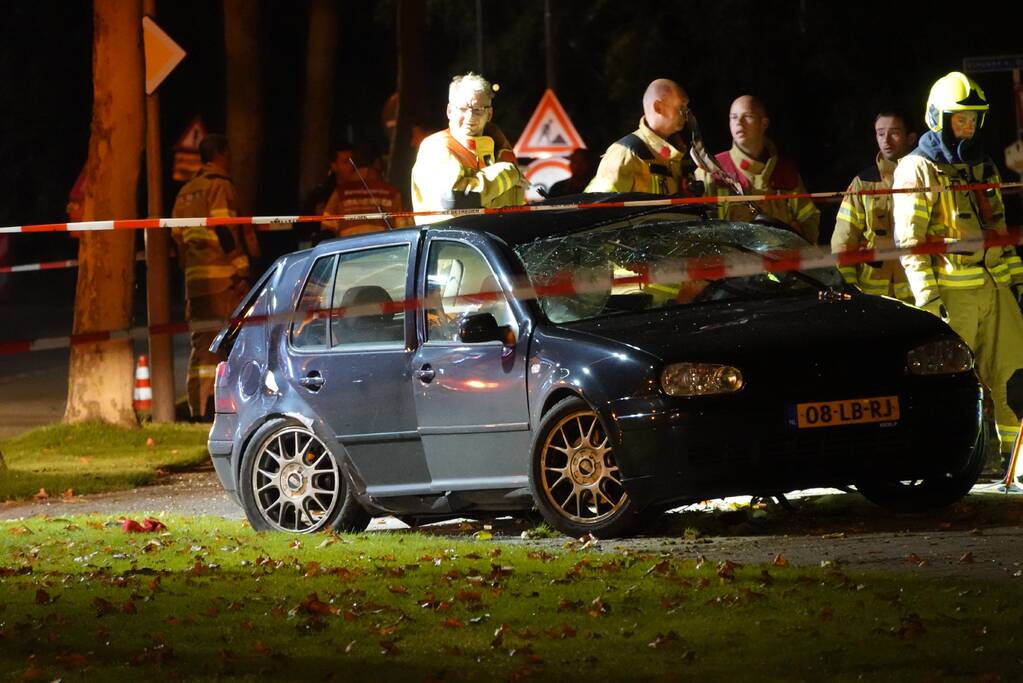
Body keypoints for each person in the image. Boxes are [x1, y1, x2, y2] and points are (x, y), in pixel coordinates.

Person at [893, 71, 1023, 469]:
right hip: (952, 296)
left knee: (1015, 376)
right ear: (939, 118)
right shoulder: (916, 169)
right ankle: (953, 461)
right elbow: (911, 243)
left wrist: (1017, 283)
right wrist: (928, 299)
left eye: (973, 119)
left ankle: (1015, 461)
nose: (967, 127)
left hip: (997, 292)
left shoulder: (983, 167)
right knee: (951, 383)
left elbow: (999, 230)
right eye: (959, 119)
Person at [170, 133, 258, 420]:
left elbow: (177, 238)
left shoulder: (186, 191)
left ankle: (198, 406)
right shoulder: (219, 187)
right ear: (220, 154)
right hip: (221, 279)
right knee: (226, 342)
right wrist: (241, 270)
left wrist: (188, 271)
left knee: (201, 345)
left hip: (194, 282)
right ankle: (220, 408)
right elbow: (225, 230)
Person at [701, 95, 820, 243]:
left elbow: (809, 218)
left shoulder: (785, 170)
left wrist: (797, 238)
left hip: (781, 264)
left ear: (764, 123)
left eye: (747, 116)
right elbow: (700, 228)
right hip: (734, 263)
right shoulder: (713, 169)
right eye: (734, 117)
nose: (739, 122)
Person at [410, 72, 525, 225]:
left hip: (489, 244)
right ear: (450, 111)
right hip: (450, 246)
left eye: (478, 109)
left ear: (489, 114)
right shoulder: (436, 147)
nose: (470, 116)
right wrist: (508, 173)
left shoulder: (500, 151)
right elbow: (455, 199)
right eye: (463, 108)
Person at [831, 111, 917, 301]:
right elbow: (843, 241)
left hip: (917, 292)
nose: (886, 140)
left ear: (910, 138)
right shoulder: (864, 183)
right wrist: (850, 287)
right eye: (880, 133)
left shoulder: (925, 180)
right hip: (871, 293)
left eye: (894, 133)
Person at [584, 78, 698, 195]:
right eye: (681, 107)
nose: (687, 114)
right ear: (658, 107)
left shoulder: (677, 154)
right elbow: (598, 207)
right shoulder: (625, 154)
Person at [321, 143, 407, 238]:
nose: (351, 166)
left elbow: (326, 231)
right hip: (385, 251)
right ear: (377, 164)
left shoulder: (340, 194)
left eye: (352, 162)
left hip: (350, 250)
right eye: (346, 162)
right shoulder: (393, 193)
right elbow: (404, 230)